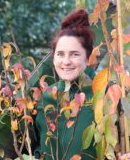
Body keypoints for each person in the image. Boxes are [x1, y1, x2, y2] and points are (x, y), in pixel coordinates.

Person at [34, 9, 130, 159]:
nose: (66, 61)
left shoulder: (107, 93)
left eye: (74, 54)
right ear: (53, 59)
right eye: (60, 54)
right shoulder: (46, 98)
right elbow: (37, 149)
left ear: (88, 58)